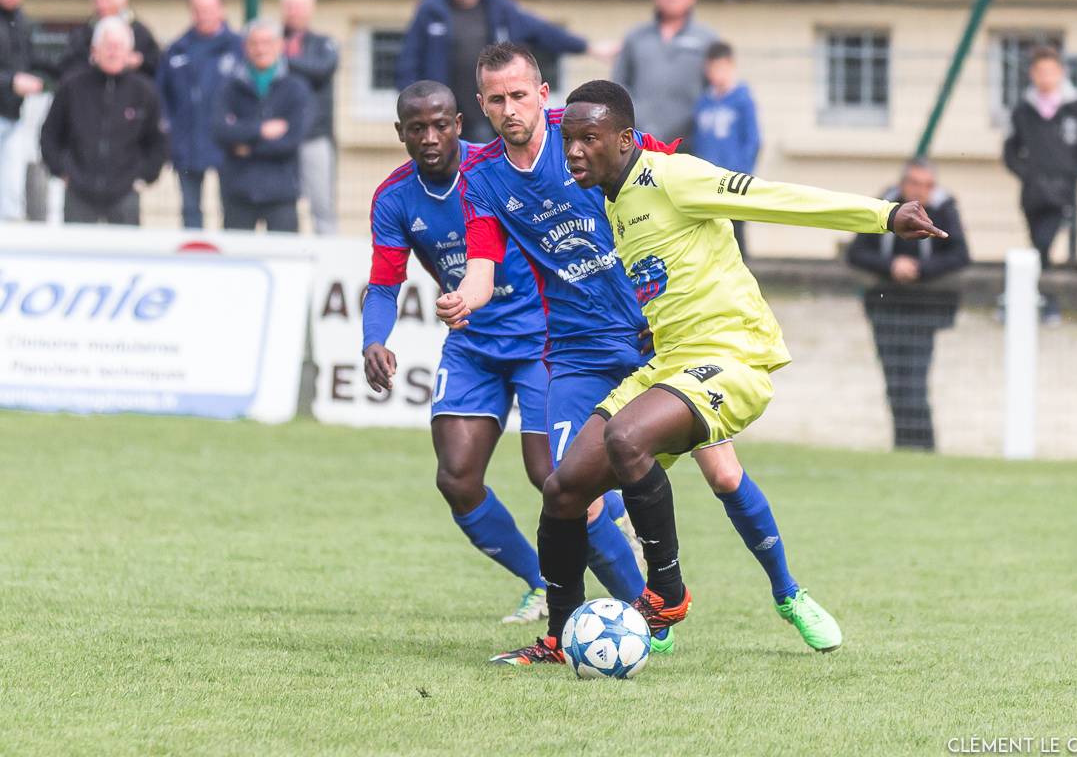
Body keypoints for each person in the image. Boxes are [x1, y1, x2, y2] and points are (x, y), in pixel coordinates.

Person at [440, 49, 889, 665]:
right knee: (566, 491)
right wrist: (462, 298)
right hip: (578, 347)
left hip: (658, 340)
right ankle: (613, 625)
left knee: (721, 473)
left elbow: (700, 187)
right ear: (482, 105)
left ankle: (787, 593)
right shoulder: (488, 176)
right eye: (496, 99)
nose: (509, 109)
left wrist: (883, 217)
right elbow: (483, 264)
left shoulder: (608, 139)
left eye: (519, 95)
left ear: (542, 94)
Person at [364, 81, 654, 624]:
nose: (431, 137)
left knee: (552, 475)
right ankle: (541, 581)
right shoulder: (394, 197)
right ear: (401, 133)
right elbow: (383, 284)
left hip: (540, 337)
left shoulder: (498, 167)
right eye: (417, 128)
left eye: (441, 125)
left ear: (459, 123)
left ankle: (641, 595)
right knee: (456, 477)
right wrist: (374, 340)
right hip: (473, 344)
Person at [395, 0, 604, 144]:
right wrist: (414, 106)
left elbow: (542, 32)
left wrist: (587, 47)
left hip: (485, 118)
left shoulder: (499, 9)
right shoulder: (430, 11)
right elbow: (408, 62)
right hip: (442, 116)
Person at [847, 159, 970, 451]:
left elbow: (960, 254)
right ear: (903, 184)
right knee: (894, 380)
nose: (920, 190)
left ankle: (923, 445)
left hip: (926, 308)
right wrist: (892, 265)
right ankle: (903, 443)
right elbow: (857, 252)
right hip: (885, 305)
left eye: (927, 185)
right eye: (914, 183)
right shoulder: (885, 207)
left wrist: (919, 269)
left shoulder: (944, 210)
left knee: (914, 379)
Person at [1002, 46, 1077, 324]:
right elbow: (1010, 150)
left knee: (1044, 243)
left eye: (1051, 71)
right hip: (1033, 190)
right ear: (1032, 74)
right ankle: (1042, 299)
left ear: (1061, 73)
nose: (1045, 77)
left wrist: (1072, 172)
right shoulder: (1023, 110)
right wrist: (1026, 173)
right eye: (1040, 71)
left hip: (1062, 190)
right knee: (1037, 244)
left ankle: (1039, 298)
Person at [39, 16, 166, 226]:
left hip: (125, 194)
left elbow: (158, 141)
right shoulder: (71, 87)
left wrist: (142, 176)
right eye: (108, 46)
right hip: (78, 193)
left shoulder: (145, 92)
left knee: (125, 248)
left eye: (119, 47)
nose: (113, 52)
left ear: (130, 52)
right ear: (94, 50)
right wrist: (62, 170)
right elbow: (50, 134)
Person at [211, 19, 311, 233]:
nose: (260, 49)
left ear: (280, 45)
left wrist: (245, 145)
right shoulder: (229, 87)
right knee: (236, 253)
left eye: (267, 42)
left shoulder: (296, 88)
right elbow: (220, 131)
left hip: (281, 191)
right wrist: (261, 130)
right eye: (254, 43)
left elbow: (292, 140)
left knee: (285, 252)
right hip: (238, 190)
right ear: (245, 47)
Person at [158, 0, 242, 230]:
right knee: (190, 211)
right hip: (187, 143)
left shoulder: (240, 48)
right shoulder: (177, 49)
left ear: (221, 9)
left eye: (208, 8)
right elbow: (161, 95)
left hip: (229, 144)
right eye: (197, 9)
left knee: (232, 209)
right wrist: (168, 130)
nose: (203, 15)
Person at [613, 0, 717, 148]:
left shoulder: (707, 39)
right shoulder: (636, 37)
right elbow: (619, 85)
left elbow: (716, 91)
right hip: (640, 141)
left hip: (690, 145)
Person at [280, 0, 339, 235]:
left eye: (300, 5)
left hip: (315, 137)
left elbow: (322, 69)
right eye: (290, 5)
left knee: (322, 207)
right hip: (279, 140)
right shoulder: (271, 41)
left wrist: (284, 60)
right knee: (282, 207)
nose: (295, 11)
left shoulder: (324, 44)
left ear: (311, 8)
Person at [691, 41, 760, 255]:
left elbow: (753, 140)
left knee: (735, 235)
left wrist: (741, 173)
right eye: (712, 69)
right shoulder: (704, 102)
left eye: (720, 68)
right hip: (707, 180)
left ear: (731, 66)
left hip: (732, 180)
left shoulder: (742, 100)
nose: (716, 74)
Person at [0, 0, 45, 221]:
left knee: (11, 191)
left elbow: (33, 61)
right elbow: (13, 75)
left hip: (13, 115)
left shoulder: (23, 23)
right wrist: (11, 82)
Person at [58, 0, 159, 80]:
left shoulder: (139, 32)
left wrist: (140, 62)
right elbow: (68, 66)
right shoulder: (83, 33)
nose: (100, 5)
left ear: (124, 1)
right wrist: (94, 62)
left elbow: (156, 66)